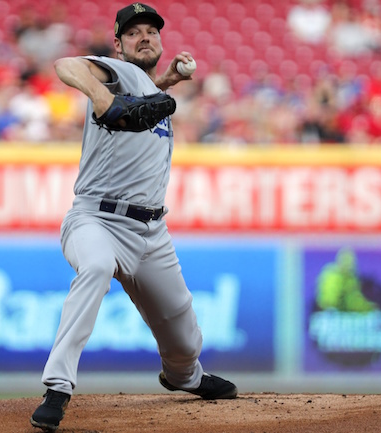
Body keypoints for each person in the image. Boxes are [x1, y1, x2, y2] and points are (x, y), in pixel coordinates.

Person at [30, 3, 238, 431]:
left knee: (184, 335)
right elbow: (66, 65)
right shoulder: (113, 71)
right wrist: (103, 98)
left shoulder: (148, 89)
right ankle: (58, 387)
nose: (145, 36)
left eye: (152, 31)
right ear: (119, 45)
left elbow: (136, 104)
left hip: (151, 232)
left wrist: (166, 82)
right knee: (97, 267)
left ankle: (184, 378)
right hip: (97, 221)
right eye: (134, 32)